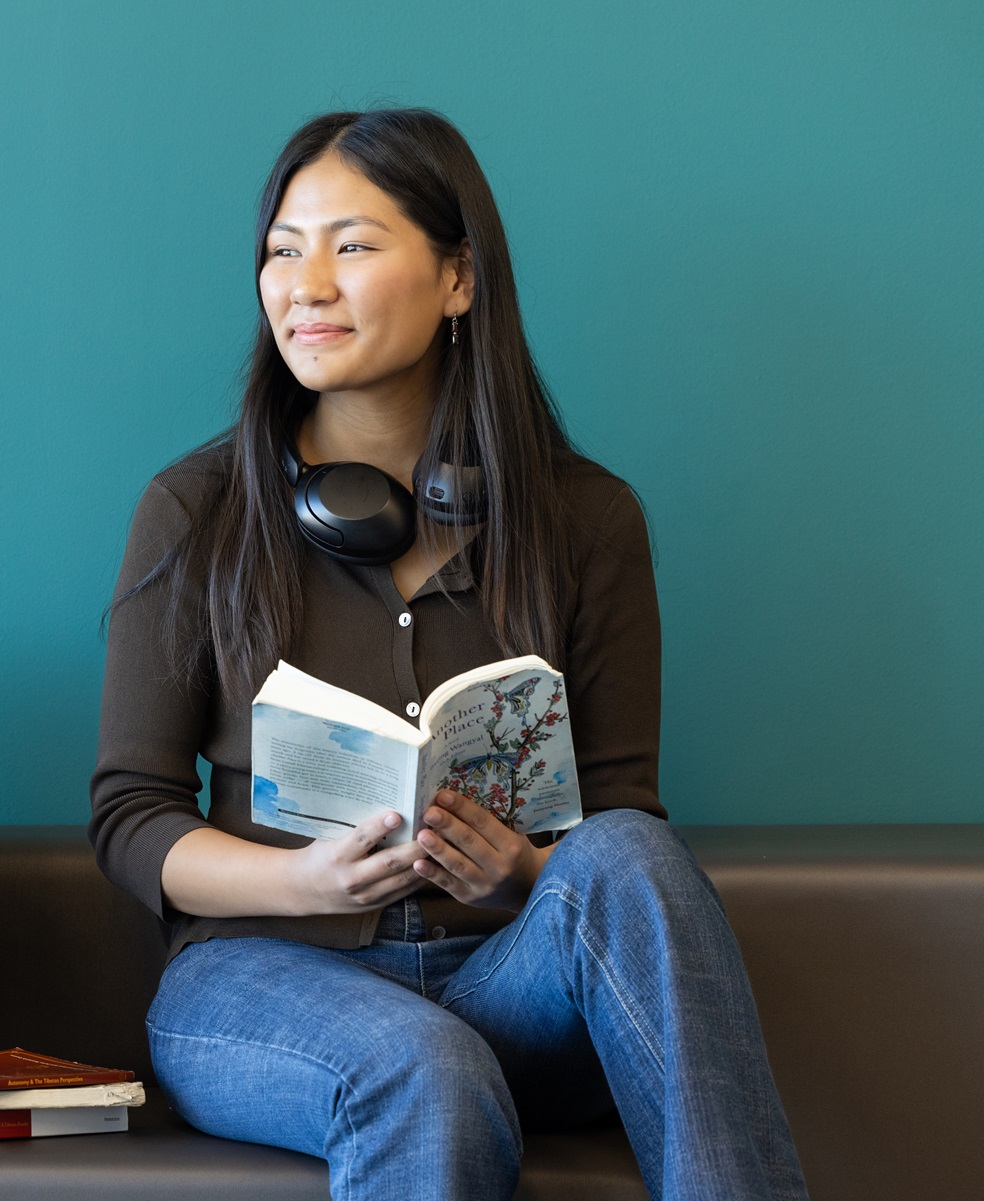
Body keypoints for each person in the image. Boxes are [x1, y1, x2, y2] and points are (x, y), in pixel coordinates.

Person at [89, 109, 807, 1201]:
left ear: (459, 278)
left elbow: (621, 823)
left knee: (629, 856)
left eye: (354, 245)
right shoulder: (197, 511)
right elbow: (131, 816)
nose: (306, 283)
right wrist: (300, 878)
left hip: (504, 980)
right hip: (263, 982)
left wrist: (520, 870)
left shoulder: (586, 518)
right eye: (283, 249)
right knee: (422, 1064)